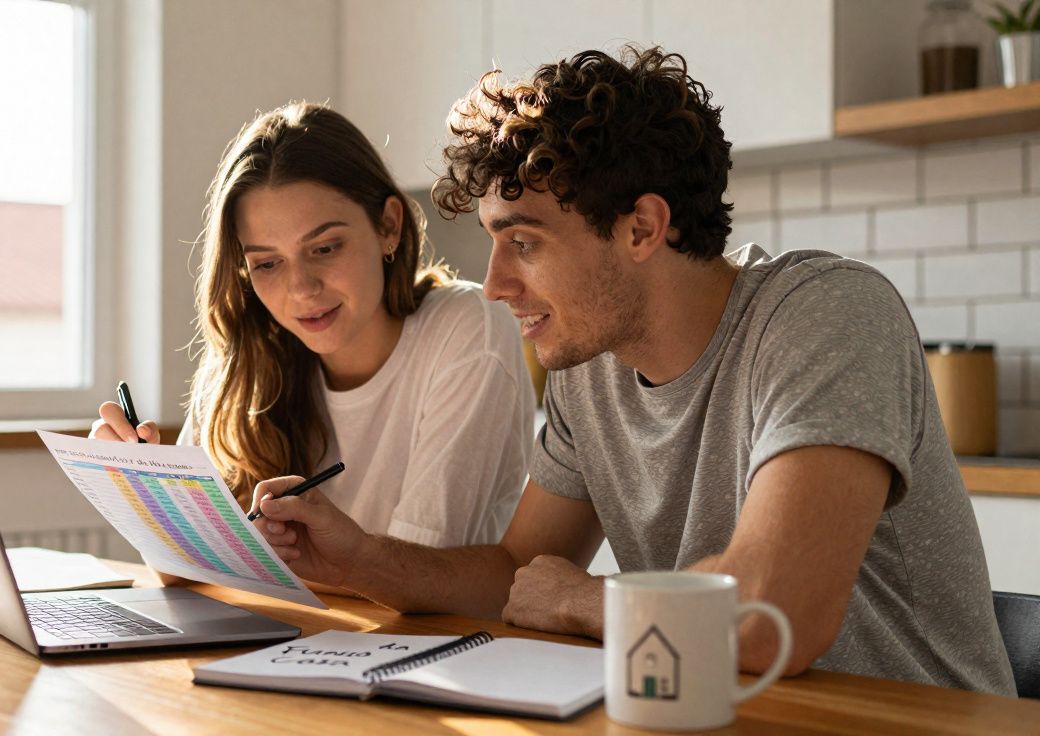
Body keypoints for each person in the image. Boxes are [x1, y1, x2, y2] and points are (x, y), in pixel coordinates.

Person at [248, 49, 1017, 696]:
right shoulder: (591, 366)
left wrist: (585, 600)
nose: (495, 285)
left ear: (643, 226)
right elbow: (516, 571)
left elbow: (771, 616)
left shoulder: (824, 314)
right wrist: (356, 556)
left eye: (524, 243)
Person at [92, 102, 536, 551]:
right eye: (266, 263)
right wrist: (140, 487)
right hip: (287, 622)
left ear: (388, 226)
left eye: (324, 248)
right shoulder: (247, 357)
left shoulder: (466, 328)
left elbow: (420, 569)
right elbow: (177, 568)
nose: (301, 289)